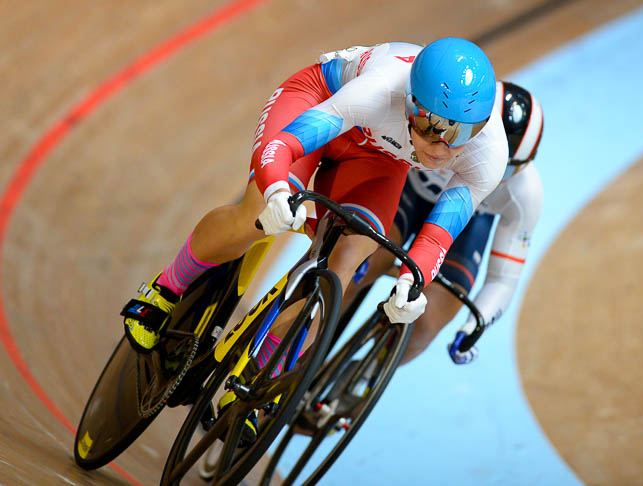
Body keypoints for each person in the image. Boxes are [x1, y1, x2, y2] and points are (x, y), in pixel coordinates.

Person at [120, 37, 508, 359]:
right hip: (320, 103)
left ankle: (258, 376)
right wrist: (274, 189)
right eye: (431, 127)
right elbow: (285, 146)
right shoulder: (380, 89)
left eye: (461, 133)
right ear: (410, 104)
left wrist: (412, 280)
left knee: (344, 265)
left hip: (377, 156)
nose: (442, 148)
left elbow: (438, 236)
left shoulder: (488, 155)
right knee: (255, 215)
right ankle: (164, 290)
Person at [346, 80, 544, 365]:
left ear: (526, 165)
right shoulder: (439, 128)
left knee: (424, 324)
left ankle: (362, 377)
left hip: (464, 226)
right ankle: (301, 351)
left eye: (510, 167)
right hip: (408, 193)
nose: (497, 172)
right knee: (359, 263)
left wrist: (475, 326)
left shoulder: (526, 193)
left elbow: (503, 278)